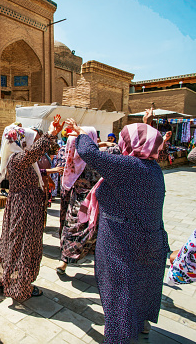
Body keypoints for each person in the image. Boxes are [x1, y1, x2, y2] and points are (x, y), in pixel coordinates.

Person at [64, 117, 168, 343]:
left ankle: (119, 337)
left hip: (121, 244)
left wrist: (82, 132)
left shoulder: (129, 167)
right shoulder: (153, 169)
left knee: (119, 295)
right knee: (138, 289)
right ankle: (138, 324)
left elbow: (90, 154)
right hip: (149, 241)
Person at [0, 117, 63, 300]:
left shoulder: (17, 159)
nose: (33, 143)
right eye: (31, 140)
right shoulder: (17, 159)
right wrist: (51, 134)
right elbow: (34, 153)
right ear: (22, 142)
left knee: (14, 243)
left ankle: (8, 279)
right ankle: (19, 286)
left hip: (24, 207)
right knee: (23, 245)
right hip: (25, 210)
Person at [56, 127, 121, 275]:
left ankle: (64, 261)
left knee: (72, 229)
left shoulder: (68, 154)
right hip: (95, 202)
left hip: (76, 200)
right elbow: (117, 149)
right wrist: (103, 144)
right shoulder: (97, 158)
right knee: (92, 231)